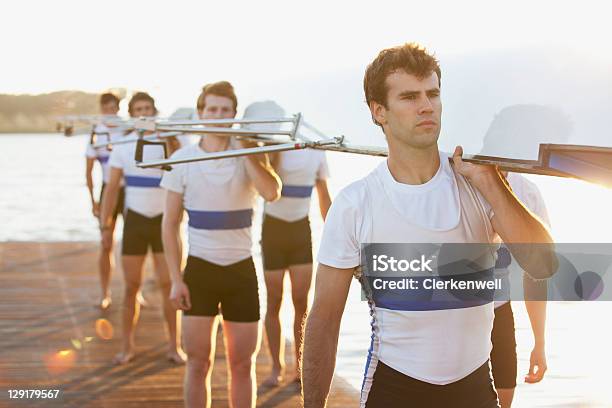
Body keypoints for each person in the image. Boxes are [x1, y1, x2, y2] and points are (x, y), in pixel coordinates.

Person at [302, 43, 557, 408]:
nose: (426, 105)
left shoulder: (480, 184)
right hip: (394, 389)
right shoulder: (356, 204)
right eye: (409, 96)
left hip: (475, 390)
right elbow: (324, 321)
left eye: (433, 94)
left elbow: (543, 265)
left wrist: (491, 184)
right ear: (379, 112)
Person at [161, 82, 281, 408]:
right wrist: (175, 279)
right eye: (211, 109)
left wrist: (248, 151)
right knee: (198, 363)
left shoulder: (248, 153)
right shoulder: (182, 158)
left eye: (225, 110)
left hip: (241, 270)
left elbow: (272, 192)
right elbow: (170, 224)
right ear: (200, 113)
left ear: (233, 114)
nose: (218, 115)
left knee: (243, 365)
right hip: (199, 270)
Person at [246, 101, 332, 386]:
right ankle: (275, 367)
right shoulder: (271, 148)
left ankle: (299, 367)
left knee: (300, 303)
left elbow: (324, 197)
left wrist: (335, 236)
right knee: (273, 301)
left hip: (299, 232)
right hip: (272, 231)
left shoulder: (316, 152)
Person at [99, 91, 184, 365]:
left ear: (154, 112)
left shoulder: (171, 142)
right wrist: (105, 224)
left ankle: (175, 346)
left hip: (163, 223)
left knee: (169, 284)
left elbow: (187, 172)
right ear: (132, 115)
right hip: (135, 221)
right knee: (131, 286)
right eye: (139, 109)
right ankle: (127, 347)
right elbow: (112, 189)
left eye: (148, 108)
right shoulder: (123, 145)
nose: (144, 113)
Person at [85, 92, 123, 310]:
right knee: (106, 242)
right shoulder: (95, 133)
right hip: (107, 190)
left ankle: (135, 292)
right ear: (101, 109)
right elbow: (89, 172)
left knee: (133, 246)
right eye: (106, 108)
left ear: (118, 109)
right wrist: (93, 201)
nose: (110, 112)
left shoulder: (127, 129)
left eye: (113, 108)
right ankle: (105, 293)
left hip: (130, 190)